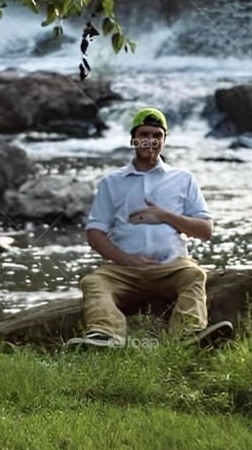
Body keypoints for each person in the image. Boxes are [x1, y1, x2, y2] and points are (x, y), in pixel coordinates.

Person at [65, 107, 234, 349]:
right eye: (144, 134)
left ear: (164, 140)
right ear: (133, 139)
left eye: (157, 135)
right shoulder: (112, 182)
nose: (150, 141)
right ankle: (104, 336)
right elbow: (94, 233)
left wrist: (164, 216)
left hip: (172, 267)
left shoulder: (183, 179)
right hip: (124, 270)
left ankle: (188, 336)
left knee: (195, 275)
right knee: (94, 282)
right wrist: (127, 259)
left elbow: (205, 230)